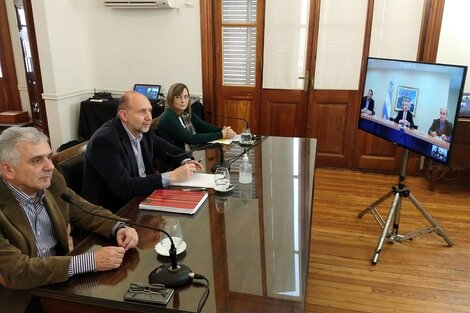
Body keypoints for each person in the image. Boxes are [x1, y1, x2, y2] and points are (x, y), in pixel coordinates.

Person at [0, 127, 139, 290]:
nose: (50, 167)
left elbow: (86, 211)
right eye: (37, 160)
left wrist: (119, 227)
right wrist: (89, 261)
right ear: (8, 170)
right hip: (20, 296)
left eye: (49, 157)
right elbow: (16, 272)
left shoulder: (51, 182)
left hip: (59, 281)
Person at [82, 91, 203, 212]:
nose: (149, 117)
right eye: (142, 111)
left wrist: (186, 161)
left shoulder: (143, 131)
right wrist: (172, 176)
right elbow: (123, 187)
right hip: (117, 210)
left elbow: (168, 149)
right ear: (124, 115)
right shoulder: (105, 141)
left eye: (149, 110)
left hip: (143, 196)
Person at [157, 83, 236, 152]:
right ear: (171, 99)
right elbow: (190, 138)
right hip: (175, 159)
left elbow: (204, 126)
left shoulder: (185, 113)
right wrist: (221, 134)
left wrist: (223, 130)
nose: (183, 101)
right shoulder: (169, 117)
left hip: (190, 151)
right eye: (178, 97)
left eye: (186, 96)